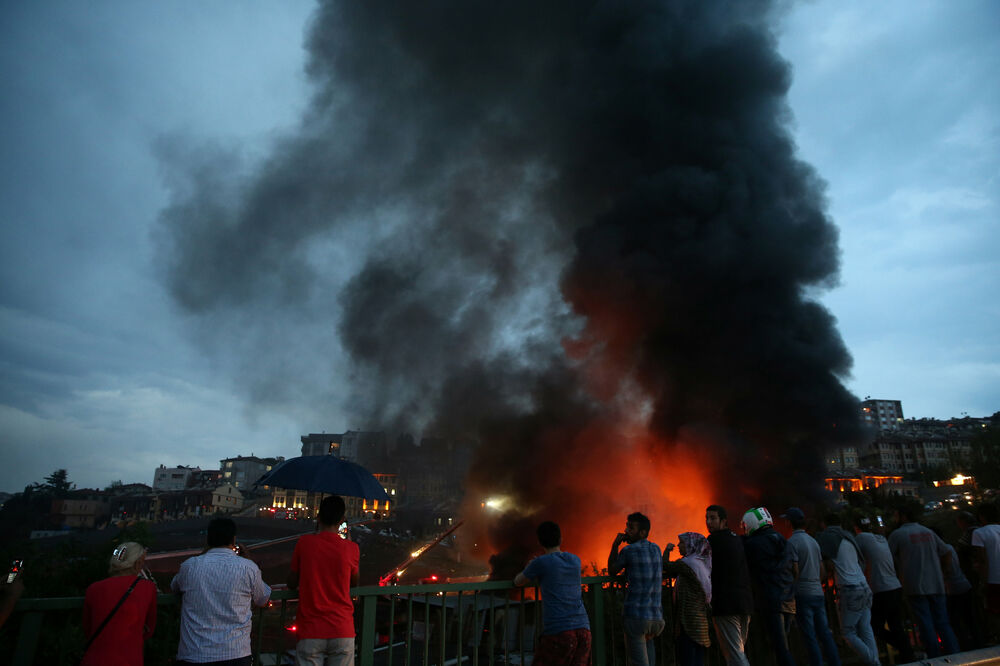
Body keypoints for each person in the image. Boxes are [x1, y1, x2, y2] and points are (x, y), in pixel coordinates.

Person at [171, 517, 271, 666]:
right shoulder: (248, 567)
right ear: (234, 539)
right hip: (235, 654)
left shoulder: (189, 566)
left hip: (194, 654)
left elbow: (174, 587)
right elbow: (263, 599)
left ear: (207, 539)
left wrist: (203, 554)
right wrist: (248, 559)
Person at [288, 495, 360, 666]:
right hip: (342, 629)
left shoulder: (304, 543)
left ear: (318, 518)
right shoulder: (351, 548)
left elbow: (291, 582)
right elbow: (354, 582)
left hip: (311, 629)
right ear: (342, 520)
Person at [514, 521, 592, 666]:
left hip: (559, 632)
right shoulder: (575, 560)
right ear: (560, 539)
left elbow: (518, 581)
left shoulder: (541, 563)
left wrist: (530, 566)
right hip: (584, 630)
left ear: (540, 542)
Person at [887, 503, 959, 657]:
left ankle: (934, 656)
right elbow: (946, 552)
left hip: (915, 586)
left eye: (896, 515)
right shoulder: (928, 532)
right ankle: (954, 655)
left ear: (903, 516)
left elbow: (888, 559)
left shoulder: (898, 535)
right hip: (937, 584)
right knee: (943, 623)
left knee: (925, 624)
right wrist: (944, 572)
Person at [816, 513, 879, 666]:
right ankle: (875, 661)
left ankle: (873, 661)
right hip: (864, 587)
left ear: (825, 524)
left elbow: (822, 560)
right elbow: (861, 562)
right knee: (865, 628)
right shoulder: (849, 536)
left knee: (848, 633)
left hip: (850, 590)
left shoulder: (827, 537)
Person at [81, 542, 157, 666]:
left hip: (94, 659)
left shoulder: (93, 589)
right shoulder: (147, 588)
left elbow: (87, 628)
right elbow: (149, 629)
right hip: (129, 658)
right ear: (138, 563)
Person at [853, 516, 915, 663]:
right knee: (896, 625)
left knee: (874, 625)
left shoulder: (860, 538)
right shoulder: (881, 538)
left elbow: (856, 559)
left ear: (856, 528)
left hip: (880, 589)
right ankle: (908, 656)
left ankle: (904, 649)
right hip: (895, 586)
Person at [783, 508, 840, 666]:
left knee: (809, 635)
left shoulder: (791, 543)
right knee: (825, 632)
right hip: (818, 593)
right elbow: (822, 570)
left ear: (789, 522)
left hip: (803, 594)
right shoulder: (813, 541)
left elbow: (793, 570)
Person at [741, 507, 797, 666]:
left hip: (770, 601)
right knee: (782, 644)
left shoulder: (753, 544)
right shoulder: (781, 538)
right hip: (788, 599)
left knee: (779, 647)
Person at [608, 511, 665, 666]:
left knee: (638, 662)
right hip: (656, 618)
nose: (626, 531)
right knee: (649, 659)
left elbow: (612, 570)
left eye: (631, 528)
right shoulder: (656, 549)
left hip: (636, 617)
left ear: (643, 532)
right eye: (627, 527)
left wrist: (615, 545)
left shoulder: (628, 550)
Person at [705, 505, 753, 666]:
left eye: (713, 518)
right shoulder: (737, 539)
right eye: (707, 518)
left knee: (735, 655)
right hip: (744, 604)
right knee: (738, 651)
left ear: (723, 521)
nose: (708, 522)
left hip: (726, 606)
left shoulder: (712, 541)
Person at [663, 532, 712, 666]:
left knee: (688, 658)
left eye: (682, 543)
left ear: (691, 545)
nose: (678, 545)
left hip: (689, 622)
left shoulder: (688, 563)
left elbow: (666, 566)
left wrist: (667, 550)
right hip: (699, 621)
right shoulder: (700, 563)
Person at [973, 502, 1000, 642]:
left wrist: (982, 582)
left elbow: (982, 559)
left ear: (982, 517)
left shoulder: (979, 533)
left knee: (994, 612)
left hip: (993, 579)